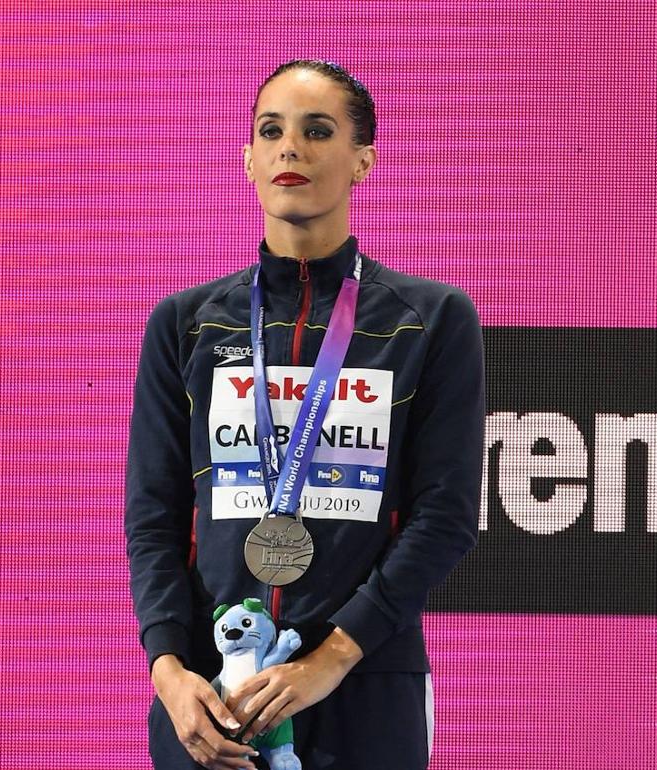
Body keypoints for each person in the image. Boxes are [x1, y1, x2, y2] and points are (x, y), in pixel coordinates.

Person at [124, 59, 485, 770]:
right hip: (210, 695)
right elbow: (153, 516)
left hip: (364, 686)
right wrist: (169, 670)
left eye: (318, 131)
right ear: (249, 162)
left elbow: (444, 518)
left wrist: (333, 658)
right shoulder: (186, 323)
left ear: (362, 161)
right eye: (271, 131)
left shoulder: (430, 320)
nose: (291, 147)